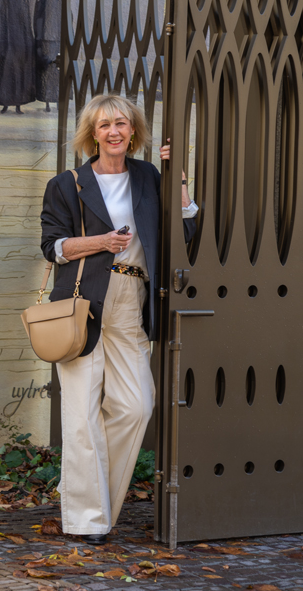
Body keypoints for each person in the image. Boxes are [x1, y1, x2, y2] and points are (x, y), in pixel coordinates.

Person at [40, 94, 198, 543]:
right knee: (81, 415)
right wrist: (101, 242)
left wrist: (179, 180)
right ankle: (88, 520)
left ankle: (83, 492)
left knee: (136, 406)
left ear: (133, 132)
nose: (114, 131)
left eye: (122, 123)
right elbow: (52, 246)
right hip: (82, 302)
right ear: (93, 133)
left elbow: (185, 230)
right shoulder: (67, 184)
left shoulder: (148, 176)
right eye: (105, 124)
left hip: (132, 298)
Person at [33, 0, 62, 111]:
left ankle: (58, 99)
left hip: (58, 37)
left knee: (58, 68)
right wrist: (38, 35)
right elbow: (37, 16)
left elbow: (67, 14)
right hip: (45, 38)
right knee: (46, 69)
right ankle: (47, 101)